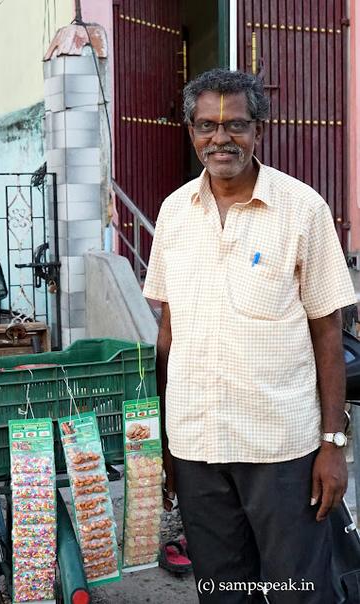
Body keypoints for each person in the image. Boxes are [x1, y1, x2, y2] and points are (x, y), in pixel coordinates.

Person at [143, 68, 357, 603]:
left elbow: (328, 333)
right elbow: (169, 333)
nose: (221, 138)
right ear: (191, 132)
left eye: (235, 124)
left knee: (296, 590)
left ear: (258, 129)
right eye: (206, 126)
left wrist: (334, 444)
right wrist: (168, 443)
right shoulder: (173, 213)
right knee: (222, 589)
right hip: (196, 446)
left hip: (282, 450)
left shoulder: (302, 208)